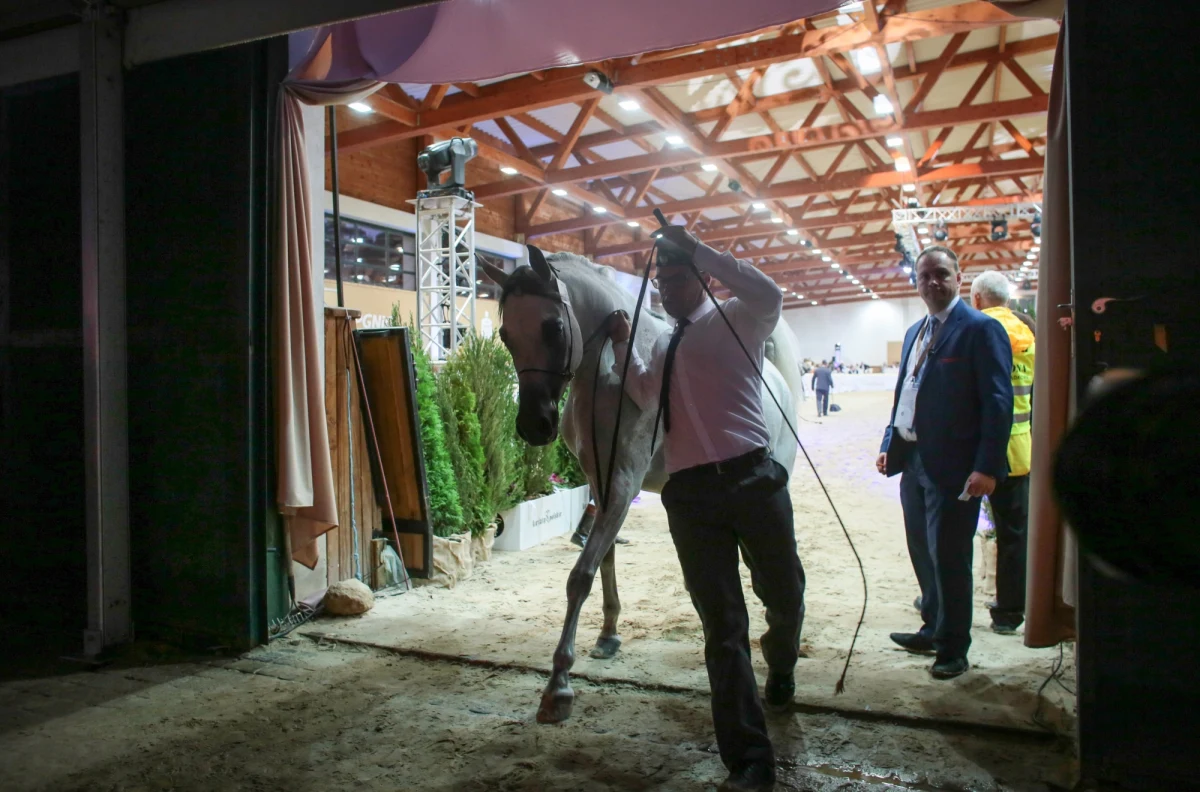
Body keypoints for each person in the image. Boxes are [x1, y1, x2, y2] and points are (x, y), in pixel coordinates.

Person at [608, 226, 805, 792]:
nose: (666, 290)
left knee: (784, 592)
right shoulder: (663, 345)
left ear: (701, 278)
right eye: (661, 282)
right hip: (691, 496)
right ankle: (749, 759)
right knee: (722, 627)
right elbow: (646, 393)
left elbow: (769, 292)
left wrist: (699, 248)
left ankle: (782, 659)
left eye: (676, 279)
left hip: (754, 480)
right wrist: (623, 344)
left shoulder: (740, 317)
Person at [875, 246, 1013, 679]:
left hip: (956, 467)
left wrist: (987, 467)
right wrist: (890, 441)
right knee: (923, 552)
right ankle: (932, 628)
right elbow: (906, 393)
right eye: (924, 276)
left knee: (950, 558)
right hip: (913, 460)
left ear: (959, 277)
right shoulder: (914, 332)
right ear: (915, 281)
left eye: (941, 274)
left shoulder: (981, 329)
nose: (933, 282)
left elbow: (998, 403)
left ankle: (953, 648)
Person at [970, 271, 1035, 634]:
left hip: (975, 451)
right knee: (1014, 535)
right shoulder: (1029, 334)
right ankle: (1010, 612)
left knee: (955, 529)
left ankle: (943, 600)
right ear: (1008, 300)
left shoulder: (974, 330)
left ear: (977, 299)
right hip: (1019, 449)